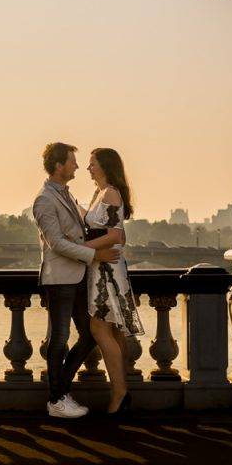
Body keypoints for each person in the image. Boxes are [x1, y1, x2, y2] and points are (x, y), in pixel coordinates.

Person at [33, 142, 120, 419]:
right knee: (59, 340)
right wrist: (95, 256)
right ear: (58, 166)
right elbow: (56, 243)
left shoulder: (66, 195)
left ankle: (60, 392)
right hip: (59, 278)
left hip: (77, 276)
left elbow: (78, 231)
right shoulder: (44, 199)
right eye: (72, 162)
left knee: (88, 334)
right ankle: (57, 399)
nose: (77, 166)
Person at [82, 147, 145, 415]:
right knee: (114, 330)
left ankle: (119, 393)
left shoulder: (110, 193)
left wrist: (80, 247)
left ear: (105, 166)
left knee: (99, 328)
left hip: (106, 267)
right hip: (104, 264)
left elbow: (116, 235)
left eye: (92, 163)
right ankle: (122, 392)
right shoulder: (101, 193)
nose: (88, 168)